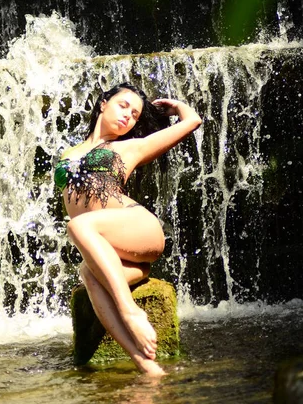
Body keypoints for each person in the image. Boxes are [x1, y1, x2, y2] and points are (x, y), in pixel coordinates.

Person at [54, 82, 202, 376]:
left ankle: (130, 311)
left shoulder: (131, 147)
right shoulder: (70, 151)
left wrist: (176, 108)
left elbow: (192, 121)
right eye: (123, 106)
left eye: (135, 115)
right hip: (111, 241)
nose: (128, 116)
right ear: (103, 104)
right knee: (88, 273)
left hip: (139, 226)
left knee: (78, 225)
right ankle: (146, 364)